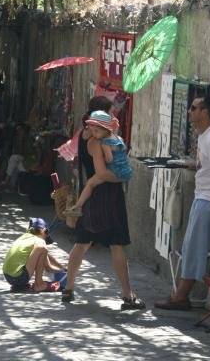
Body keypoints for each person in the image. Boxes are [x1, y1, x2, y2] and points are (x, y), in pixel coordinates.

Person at [61, 95, 145, 310]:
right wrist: (122, 177)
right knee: (116, 243)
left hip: (93, 195)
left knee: (82, 242)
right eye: (109, 113)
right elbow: (101, 172)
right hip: (106, 194)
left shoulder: (85, 135)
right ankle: (127, 295)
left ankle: (68, 288)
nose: (112, 116)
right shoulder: (97, 140)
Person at [155, 95, 210, 310]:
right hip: (203, 197)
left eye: (194, 108)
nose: (190, 111)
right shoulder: (206, 137)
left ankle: (181, 296)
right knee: (190, 245)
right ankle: (181, 294)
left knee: (196, 247)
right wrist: (191, 166)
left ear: (205, 112)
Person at [70, 110, 132, 210]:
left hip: (115, 170)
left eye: (96, 131)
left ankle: (78, 205)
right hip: (126, 170)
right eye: (93, 131)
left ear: (105, 129)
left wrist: (102, 159)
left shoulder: (104, 143)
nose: (94, 134)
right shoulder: (118, 138)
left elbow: (110, 159)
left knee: (90, 183)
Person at [2, 218, 64, 292]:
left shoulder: (25, 238)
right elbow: (48, 268)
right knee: (42, 247)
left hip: (8, 276)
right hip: (19, 278)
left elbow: (47, 257)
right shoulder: (40, 242)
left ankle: (19, 285)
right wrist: (65, 271)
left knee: (42, 249)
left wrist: (62, 268)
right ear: (44, 231)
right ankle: (39, 284)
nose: (45, 239)